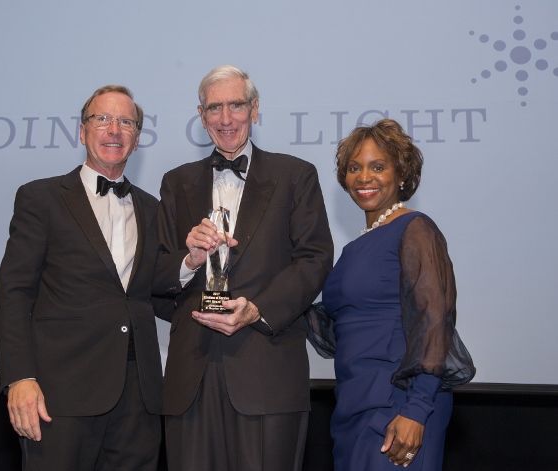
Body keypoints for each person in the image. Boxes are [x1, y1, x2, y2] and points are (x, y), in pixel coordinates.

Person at [153, 65, 334, 471]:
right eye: (214, 108)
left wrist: (258, 309)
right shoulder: (175, 183)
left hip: (267, 371)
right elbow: (155, 275)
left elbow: (316, 257)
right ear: (201, 117)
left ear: (255, 109)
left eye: (236, 105)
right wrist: (189, 261)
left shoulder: (295, 175)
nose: (225, 118)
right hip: (191, 378)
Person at [0, 85, 163, 471]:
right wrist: (19, 376)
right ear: (82, 131)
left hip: (138, 399)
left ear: (137, 140)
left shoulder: (154, 209)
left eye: (126, 122)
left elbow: (158, 292)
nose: (114, 130)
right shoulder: (41, 198)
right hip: (59, 397)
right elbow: (14, 294)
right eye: (102, 119)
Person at [306, 119, 475, 470]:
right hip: (353, 404)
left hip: (400, 406)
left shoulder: (415, 229)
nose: (363, 177)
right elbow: (342, 326)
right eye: (354, 168)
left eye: (377, 166)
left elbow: (433, 321)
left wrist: (416, 410)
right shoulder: (357, 245)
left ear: (401, 174)